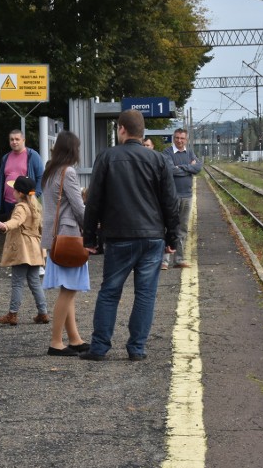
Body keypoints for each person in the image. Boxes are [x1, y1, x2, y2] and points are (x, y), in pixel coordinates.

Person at [80, 110, 179, 362]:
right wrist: (172, 239)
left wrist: (89, 238)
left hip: (118, 237)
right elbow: (170, 202)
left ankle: (100, 347)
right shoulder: (158, 160)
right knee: (145, 294)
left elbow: (93, 202)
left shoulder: (107, 157)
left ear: (121, 129)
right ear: (142, 132)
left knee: (110, 291)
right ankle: (137, 349)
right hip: (152, 237)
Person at [40, 131, 90, 356]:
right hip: (69, 236)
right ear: (73, 150)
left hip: (54, 237)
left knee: (67, 288)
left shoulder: (49, 171)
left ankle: (74, 338)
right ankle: (55, 342)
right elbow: (79, 208)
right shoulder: (67, 172)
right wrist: (93, 227)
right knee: (69, 290)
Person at [0, 176, 48, 326]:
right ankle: (43, 313)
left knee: (17, 282)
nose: (12, 192)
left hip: (23, 249)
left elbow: (16, 220)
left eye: (14, 190)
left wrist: (5, 225)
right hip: (35, 248)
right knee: (35, 282)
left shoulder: (21, 207)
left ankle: (12, 314)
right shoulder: (36, 206)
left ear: (19, 193)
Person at [161, 128, 201, 270]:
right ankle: (164, 261)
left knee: (183, 228)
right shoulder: (167, 153)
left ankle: (179, 259)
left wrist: (181, 167)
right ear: (173, 138)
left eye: (182, 138)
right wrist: (189, 167)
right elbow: (170, 170)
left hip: (187, 196)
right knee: (168, 226)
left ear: (186, 140)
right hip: (172, 197)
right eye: (177, 137)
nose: (179, 140)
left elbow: (199, 167)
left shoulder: (189, 152)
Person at [0, 129, 44, 222]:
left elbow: (41, 177)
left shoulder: (32, 155)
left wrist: (34, 194)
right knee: (9, 232)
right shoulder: (6, 157)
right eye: (12, 139)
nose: (14, 142)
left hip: (25, 202)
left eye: (17, 139)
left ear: (23, 140)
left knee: (24, 233)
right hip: (7, 203)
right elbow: (1, 180)